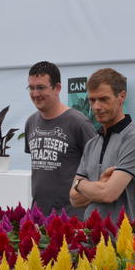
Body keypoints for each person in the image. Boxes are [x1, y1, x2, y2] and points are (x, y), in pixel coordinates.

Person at [69, 68, 135, 224]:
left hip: (123, 238)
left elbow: (108, 194)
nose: (96, 107)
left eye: (103, 99)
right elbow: (74, 200)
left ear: (122, 97)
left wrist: (80, 184)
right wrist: (100, 185)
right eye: (92, 100)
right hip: (91, 236)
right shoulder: (92, 144)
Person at [24, 61, 97, 217]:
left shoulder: (79, 123)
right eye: (31, 88)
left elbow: (97, 166)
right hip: (39, 216)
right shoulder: (31, 122)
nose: (35, 94)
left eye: (41, 87)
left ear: (57, 88)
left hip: (71, 216)